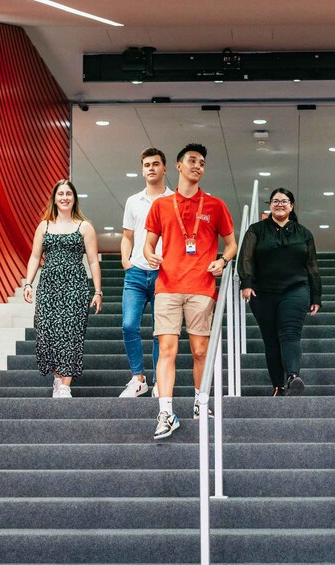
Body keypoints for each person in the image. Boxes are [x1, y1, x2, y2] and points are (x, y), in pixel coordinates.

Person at [144, 143, 237, 439]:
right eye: (192, 161)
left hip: (201, 286)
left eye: (202, 163)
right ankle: (166, 412)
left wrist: (223, 260)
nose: (198, 166)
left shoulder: (215, 205)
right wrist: (149, 254)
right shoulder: (161, 205)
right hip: (168, 285)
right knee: (167, 350)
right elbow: (148, 242)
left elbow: (232, 243)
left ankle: (200, 402)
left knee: (200, 351)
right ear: (179, 167)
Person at [237, 188, 321, 396]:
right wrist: (246, 283)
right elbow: (246, 257)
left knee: (290, 333)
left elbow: (312, 266)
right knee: (270, 339)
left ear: (291, 206)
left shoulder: (304, 233)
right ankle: (278, 385)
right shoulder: (256, 230)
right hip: (263, 293)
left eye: (285, 201)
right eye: (275, 201)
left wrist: (316, 295)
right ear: (270, 206)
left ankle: (293, 376)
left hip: (296, 290)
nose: (280, 204)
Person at [23, 179, 102, 398]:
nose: (65, 197)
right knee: (47, 333)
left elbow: (94, 261)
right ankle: (58, 379)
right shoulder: (44, 226)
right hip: (48, 286)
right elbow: (35, 256)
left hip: (75, 286)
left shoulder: (84, 226)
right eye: (61, 194)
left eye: (69, 193)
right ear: (54, 198)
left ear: (74, 198)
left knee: (71, 333)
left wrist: (97, 291)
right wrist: (28, 283)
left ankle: (65, 384)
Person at [118, 148, 173, 398]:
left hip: (165, 273)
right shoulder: (133, 201)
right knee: (129, 325)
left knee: (160, 330)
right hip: (137, 273)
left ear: (165, 168)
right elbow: (127, 236)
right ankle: (138, 378)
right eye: (146, 165)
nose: (150, 168)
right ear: (142, 170)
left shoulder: (175, 200)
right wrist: (125, 260)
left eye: (155, 164)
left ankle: (159, 381)